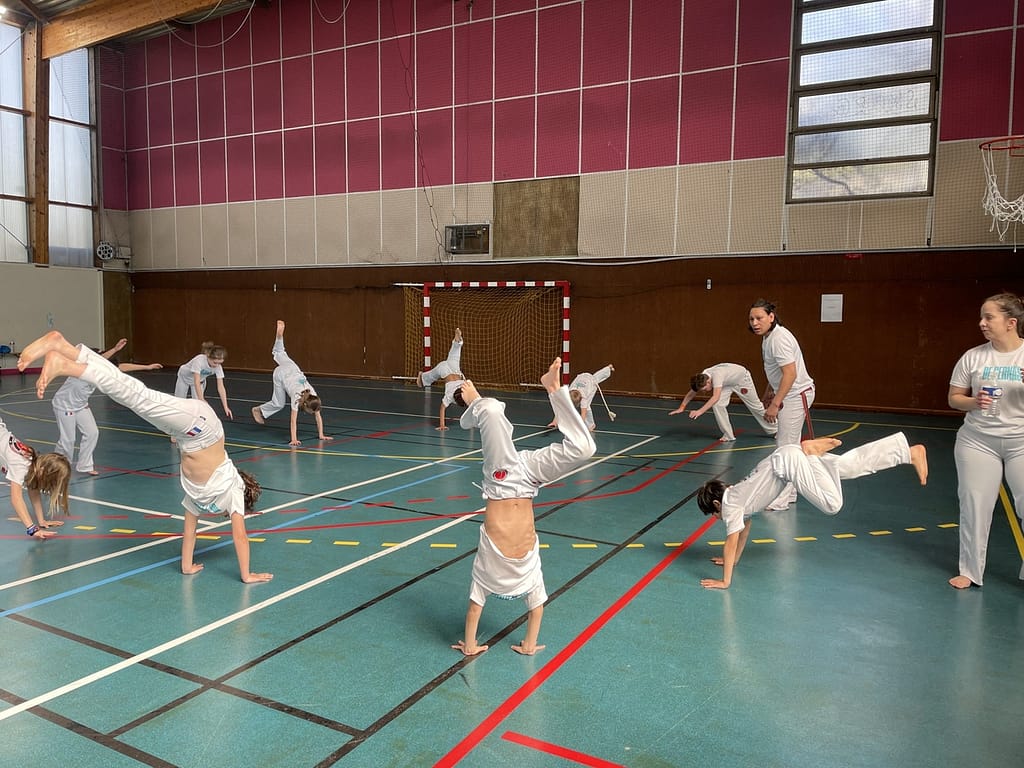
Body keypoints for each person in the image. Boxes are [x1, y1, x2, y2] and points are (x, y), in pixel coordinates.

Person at [20, 332, 272, 583]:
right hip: (203, 427)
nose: (225, 515)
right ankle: (64, 364)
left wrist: (186, 566)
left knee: (132, 395)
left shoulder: (199, 499)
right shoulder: (233, 489)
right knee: (138, 397)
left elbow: (190, 531)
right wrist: (247, 575)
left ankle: (64, 349)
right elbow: (240, 537)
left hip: (186, 434)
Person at [451, 357, 596, 656]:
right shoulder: (530, 572)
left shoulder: (486, 571)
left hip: (501, 479)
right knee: (585, 448)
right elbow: (537, 607)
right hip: (529, 479)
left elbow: (474, 608)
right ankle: (554, 390)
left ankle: (472, 404)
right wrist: (529, 645)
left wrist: (470, 645)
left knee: (491, 409)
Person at [696, 433, 928, 590]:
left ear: (717, 505)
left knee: (832, 504)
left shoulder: (730, 504)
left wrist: (725, 581)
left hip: (791, 462)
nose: (717, 518)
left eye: (713, 514)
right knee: (848, 466)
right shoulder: (736, 495)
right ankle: (908, 452)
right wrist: (733, 561)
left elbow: (731, 541)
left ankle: (813, 452)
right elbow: (744, 530)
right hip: (789, 455)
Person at [947, 292, 1024, 589]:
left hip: (1020, 442)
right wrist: (974, 402)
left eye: (989, 317)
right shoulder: (973, 356)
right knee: (974, 506)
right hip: (977, 442)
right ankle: (970, 571)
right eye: (981, 317)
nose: (982, 323)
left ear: (1011, 322)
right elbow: (954, 398)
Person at [51, 338, 163, 475]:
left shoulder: (102, 371)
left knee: (92, 433)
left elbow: (120, 368)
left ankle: (85, 466)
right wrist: (114, 349)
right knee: (68, 439)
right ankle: (59, 466)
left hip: (81, 405)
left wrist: (147, 367)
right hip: (64, 405)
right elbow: (100, 358)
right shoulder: (82, 365)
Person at [749, 299, 815, 510]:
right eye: (751, 319)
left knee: (785, 447)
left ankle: (782, 499)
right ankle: (790, 492)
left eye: (759, 318)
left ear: (771, 317)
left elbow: (790, 373)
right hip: (790, 394)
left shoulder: (779, 339)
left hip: (796, 395)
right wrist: (769, 394)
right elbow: (776, 371)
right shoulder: (768, 338)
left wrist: (775, 404)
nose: (755, 323)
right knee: (789, 446)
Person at [251, 320, 334, 446]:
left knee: (280, 352)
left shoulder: (313, 395)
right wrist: (294, 439)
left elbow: (318, 416)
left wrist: (321, 435)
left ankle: (279, 337)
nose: (315, 413)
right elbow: (293, 421)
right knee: (278, 404)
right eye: (313, 412)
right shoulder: (297, 399)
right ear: (306, 407)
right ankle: (257, 410)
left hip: (293, 368)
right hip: (281, 374)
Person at [1, 416, 70, 540]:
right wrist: (32, 528)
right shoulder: (20, 465)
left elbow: (33, 488)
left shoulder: (33, 463)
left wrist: (41, 520)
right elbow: (16, 499)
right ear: (44, 472)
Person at [669, 363, 777, 442]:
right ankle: (728, 435)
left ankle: (777, 429)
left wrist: (700, 411)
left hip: (742, 380)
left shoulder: (717, 376)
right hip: (726, 383)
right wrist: (682, 407)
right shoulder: (702, 377)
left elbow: (715, 397)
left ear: (708, 382)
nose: (705, 391)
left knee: (756, 407)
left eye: (705, 389)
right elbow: (692, 392)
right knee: (718, 405)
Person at [416, 328, 465, 431]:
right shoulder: (450, 396)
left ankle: (457, 342)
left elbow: (443, 408)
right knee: (429, 377)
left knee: (455, 355)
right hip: (444, 370)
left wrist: (443, 425)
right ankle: (422, 378)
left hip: (455, 370)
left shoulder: (464, 391)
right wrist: (442, 425)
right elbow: (442, 408)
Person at [548, 364, 614, 432]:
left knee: (587, 406)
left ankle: (591, 425)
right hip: (582, 377)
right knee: (596, 377)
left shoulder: (584, 398)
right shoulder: (567, 394)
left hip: (591, 383)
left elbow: (583, 414)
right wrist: (554, 422)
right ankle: (608, 368)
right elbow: (560, 409)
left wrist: (579, 427)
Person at [175, 342, 233, 420]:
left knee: (198, 403)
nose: (216, 365)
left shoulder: (218, 367)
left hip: (200, 381)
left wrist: (226, 407)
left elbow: (221, 387)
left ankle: (196, 419)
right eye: (215, 362)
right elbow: (196, 381)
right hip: (184, 378)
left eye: (219, 363)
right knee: (179, 401)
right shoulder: (199, 360)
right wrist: (201, 398)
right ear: (208, 357)